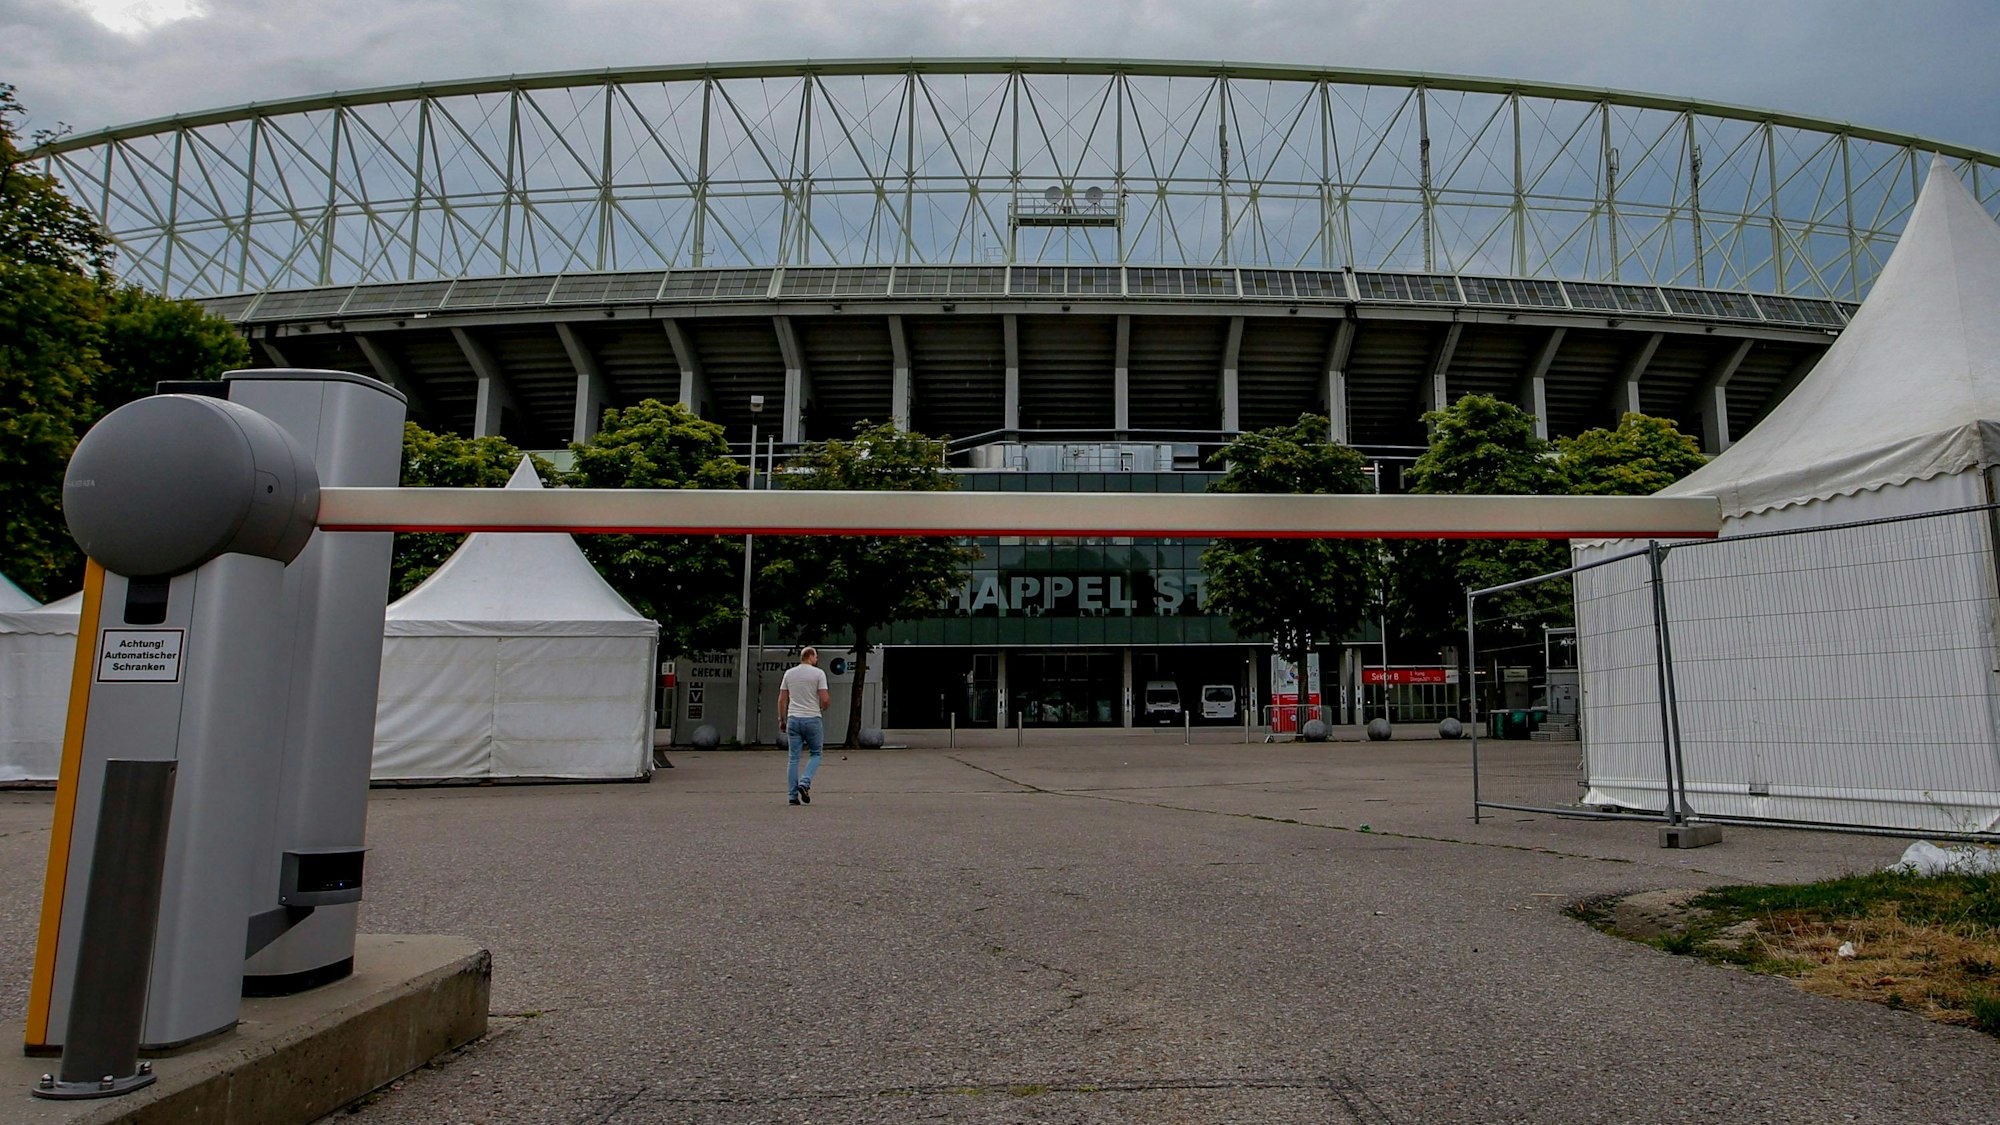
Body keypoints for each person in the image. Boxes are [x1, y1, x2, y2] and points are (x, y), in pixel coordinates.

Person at [777, 646, 831, 805]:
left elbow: (782, 699)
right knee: (816, 753)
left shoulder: (789, 673)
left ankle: (792, 797)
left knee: (793, 758)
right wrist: (823, 707)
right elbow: (825, 698)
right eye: (816, 657)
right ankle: (805, 782)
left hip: (793, 719)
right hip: (812, 718)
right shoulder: (819, 673)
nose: (817, 659)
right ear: (810, 656)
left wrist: (782, 719)